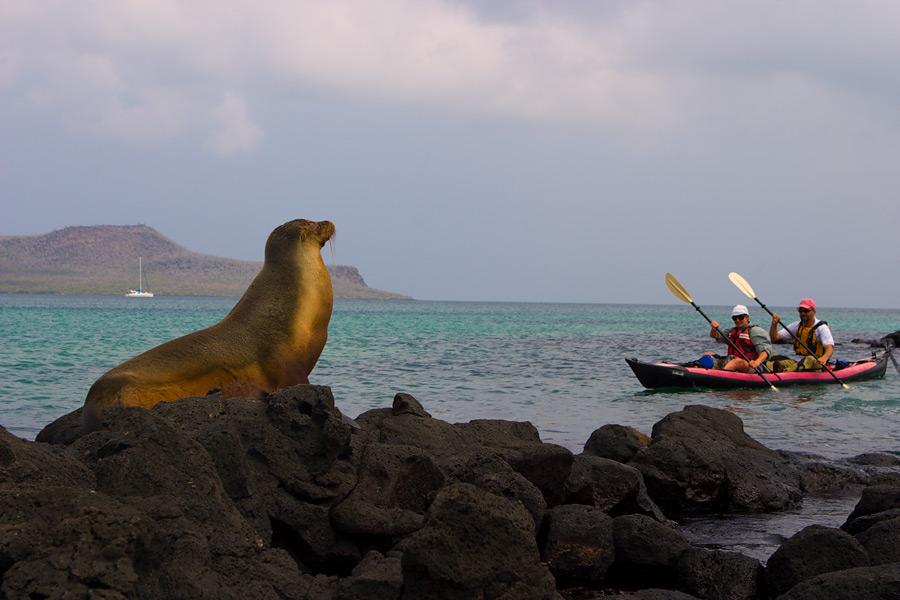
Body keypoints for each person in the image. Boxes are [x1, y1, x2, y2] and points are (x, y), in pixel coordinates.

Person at [769, 298, 834, 371]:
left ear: (814, 311)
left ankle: (784, 372)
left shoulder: (821, 328)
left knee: (810, 359)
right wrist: (774, 324)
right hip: (797, 362)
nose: (803, 313)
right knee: (772, 356)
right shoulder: (796, 326)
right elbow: (774, 337)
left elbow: (829, 348)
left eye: (806, 311)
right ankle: (769, 370)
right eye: (800, 311)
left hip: (815, 364)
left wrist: (824, 358)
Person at [707, 305, 772, 372]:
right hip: (731, 361)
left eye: (740, 317)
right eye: (735, 318)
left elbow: (765, 351)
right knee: (707, 354)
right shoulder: (731, 331)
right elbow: (715, 336)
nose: (737, 320)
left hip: (752, 366)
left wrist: (756, 362)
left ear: (747, 317)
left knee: (737, 362)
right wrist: (714, 329)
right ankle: (703, 370)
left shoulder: (755, 331)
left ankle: (722, 374)